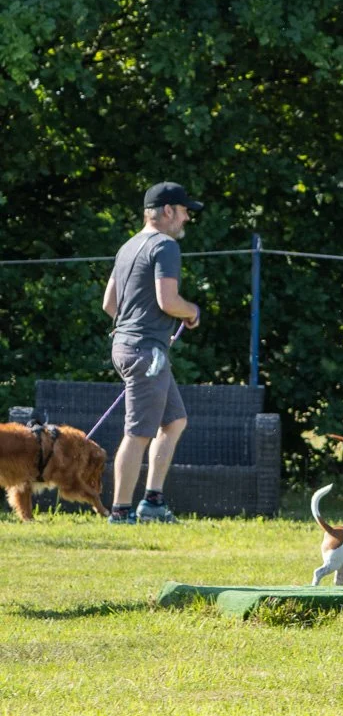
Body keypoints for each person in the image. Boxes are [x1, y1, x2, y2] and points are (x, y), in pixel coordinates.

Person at [101, 182, 205, 525]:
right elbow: (168, 301)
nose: (187, 217)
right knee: (138, 432)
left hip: (127, 345)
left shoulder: (128, 246)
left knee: (174, 420)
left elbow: (109, 305)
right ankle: (120, 511)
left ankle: (153, 503)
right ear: (167, 211)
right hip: (146, 352)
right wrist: (191, 311)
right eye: (185, 210)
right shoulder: (165, 246)